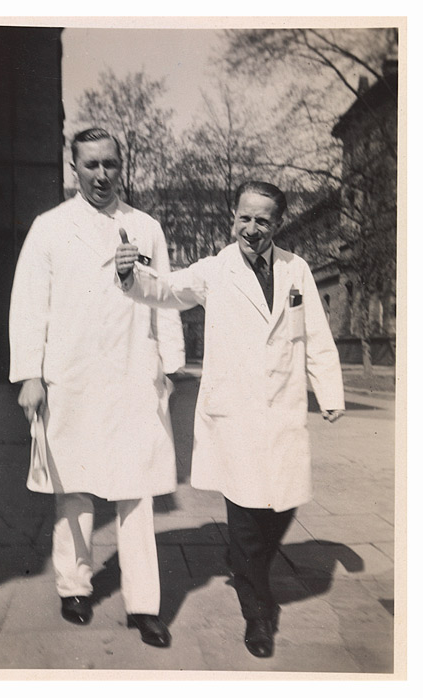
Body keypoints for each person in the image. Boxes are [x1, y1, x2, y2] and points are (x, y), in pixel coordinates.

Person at [115, 181, 345, 658]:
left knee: (283, 504)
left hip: (281, 407)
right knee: (245, 515)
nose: (252, 228)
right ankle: (258, 614)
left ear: (277, 224)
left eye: (263, 220)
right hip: (234, 413)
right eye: (245, 218)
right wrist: (130, 274)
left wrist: (329, 391)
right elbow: (165, 288)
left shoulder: (296, 269)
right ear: (233, 218)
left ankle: (245, 564)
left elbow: (317, 335)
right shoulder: (214, 270)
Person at [9, 127, 185, 648]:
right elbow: (28, 306)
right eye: (91, 166)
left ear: (121, 165)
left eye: (110, 164)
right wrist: (31, 376)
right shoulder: (49, 228)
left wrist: (169, 366)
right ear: (75, 169)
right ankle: (74, 585)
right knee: (76, 489)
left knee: (138, 490)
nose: (102, 175)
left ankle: (144, 605)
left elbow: (166, 296)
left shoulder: (145, 227)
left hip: (134, 374)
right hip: (74, 376)